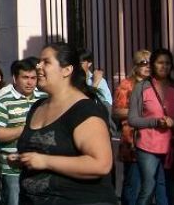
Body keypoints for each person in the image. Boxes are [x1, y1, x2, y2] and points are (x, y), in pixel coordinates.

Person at [14, 42, 116, 204]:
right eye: (39, 61)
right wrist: (25, 160)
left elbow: (101, 164)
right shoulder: (37, 107)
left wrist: (45, 161)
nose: (38, 66)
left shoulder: (84, 109)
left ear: (67, 70)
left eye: (46, 62)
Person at [129, 48, 174, 204]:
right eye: (160, 63)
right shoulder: (142, 87)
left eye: (167, 63)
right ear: (153, 65)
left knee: (172, 189)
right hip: (148, 146)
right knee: (148, 187)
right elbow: (133, 119)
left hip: (172, 146)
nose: (164, 66)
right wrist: (156, 122)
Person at [0, 58, 43, 205]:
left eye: (33, 78)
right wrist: (26, 128)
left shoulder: (45, 99)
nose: (30, 82)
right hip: (12, 170)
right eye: (25, 77)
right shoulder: (3, 102)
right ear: (15, 78)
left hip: (41, 168)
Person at [114, 50, 163, 205]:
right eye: (143, 63)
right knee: (133, 184)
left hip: (156, 141)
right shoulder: (127, 85)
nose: (148, 66)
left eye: (150, 62)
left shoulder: (157, 84)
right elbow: (116, 111)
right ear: (136, 66)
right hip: (133, 142)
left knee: (155, 185)